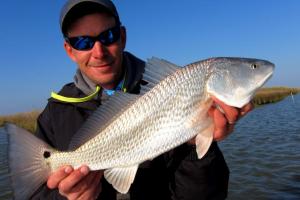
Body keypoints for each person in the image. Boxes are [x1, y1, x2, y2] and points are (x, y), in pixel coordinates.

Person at [32, 0, 253, 199]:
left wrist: (197, 148)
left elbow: (208, 196)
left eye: (108, 36)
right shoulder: (54, 116)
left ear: (123, 36)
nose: (98, 52)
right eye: (83, 42)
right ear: (70, 50)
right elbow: (33, 194)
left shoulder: (167, 88)